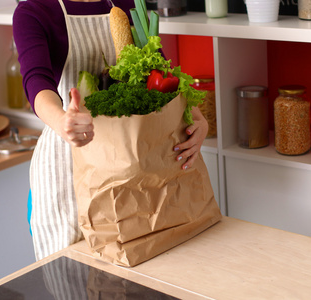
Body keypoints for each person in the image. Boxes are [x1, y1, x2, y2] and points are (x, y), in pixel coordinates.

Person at [13, 0, 209, 261]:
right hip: (68, 163)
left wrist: (196, 117)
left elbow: (161, 76)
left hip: (129, 161)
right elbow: (36, 80)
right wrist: (62, 121)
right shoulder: (34, 11)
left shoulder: (126, 4)